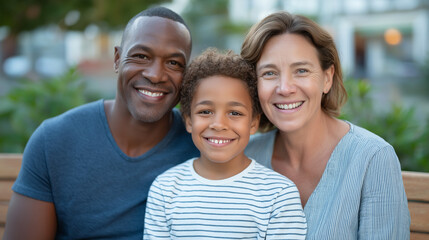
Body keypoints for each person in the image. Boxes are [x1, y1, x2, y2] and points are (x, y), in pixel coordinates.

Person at [4, 6, 199, 240]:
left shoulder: (201, 146)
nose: (156, 75)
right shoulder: (55, 141)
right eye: (141, 56)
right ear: (117, 59)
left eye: (174, 63)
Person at [241, 11, 410, 239]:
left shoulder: (373, 158)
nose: (285, 88)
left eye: (301, 70)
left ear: (327, 78)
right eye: (270, 73)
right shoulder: (244, 157)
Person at [143, 48, 307, 239]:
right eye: (205, 111)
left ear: (253, 122)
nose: (219, 124)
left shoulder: (279, 194)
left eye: (235, 113)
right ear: (188, 120)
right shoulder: (165, 189)